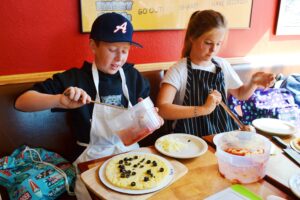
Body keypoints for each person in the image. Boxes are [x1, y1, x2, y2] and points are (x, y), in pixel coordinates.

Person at [15, 12, 162, 199]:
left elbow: (143, 121)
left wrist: (148, 119)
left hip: (128, 153)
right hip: (91, 158)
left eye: (124, 50)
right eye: (112, 49)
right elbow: (22, 102)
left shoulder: (133, 77)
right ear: (93, 45)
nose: (119, 58)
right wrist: (60, 100)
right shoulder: (75, 78)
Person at [156, 10, 275, 137]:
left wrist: (253, 82)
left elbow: (241, 94)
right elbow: (162, 109)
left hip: (223, 134)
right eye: (208, 43)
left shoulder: (222, 65)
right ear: (192, 37)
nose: (213, 49)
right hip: (189, 137)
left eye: (218, 44)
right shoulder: (179, 69)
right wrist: (203, 110)